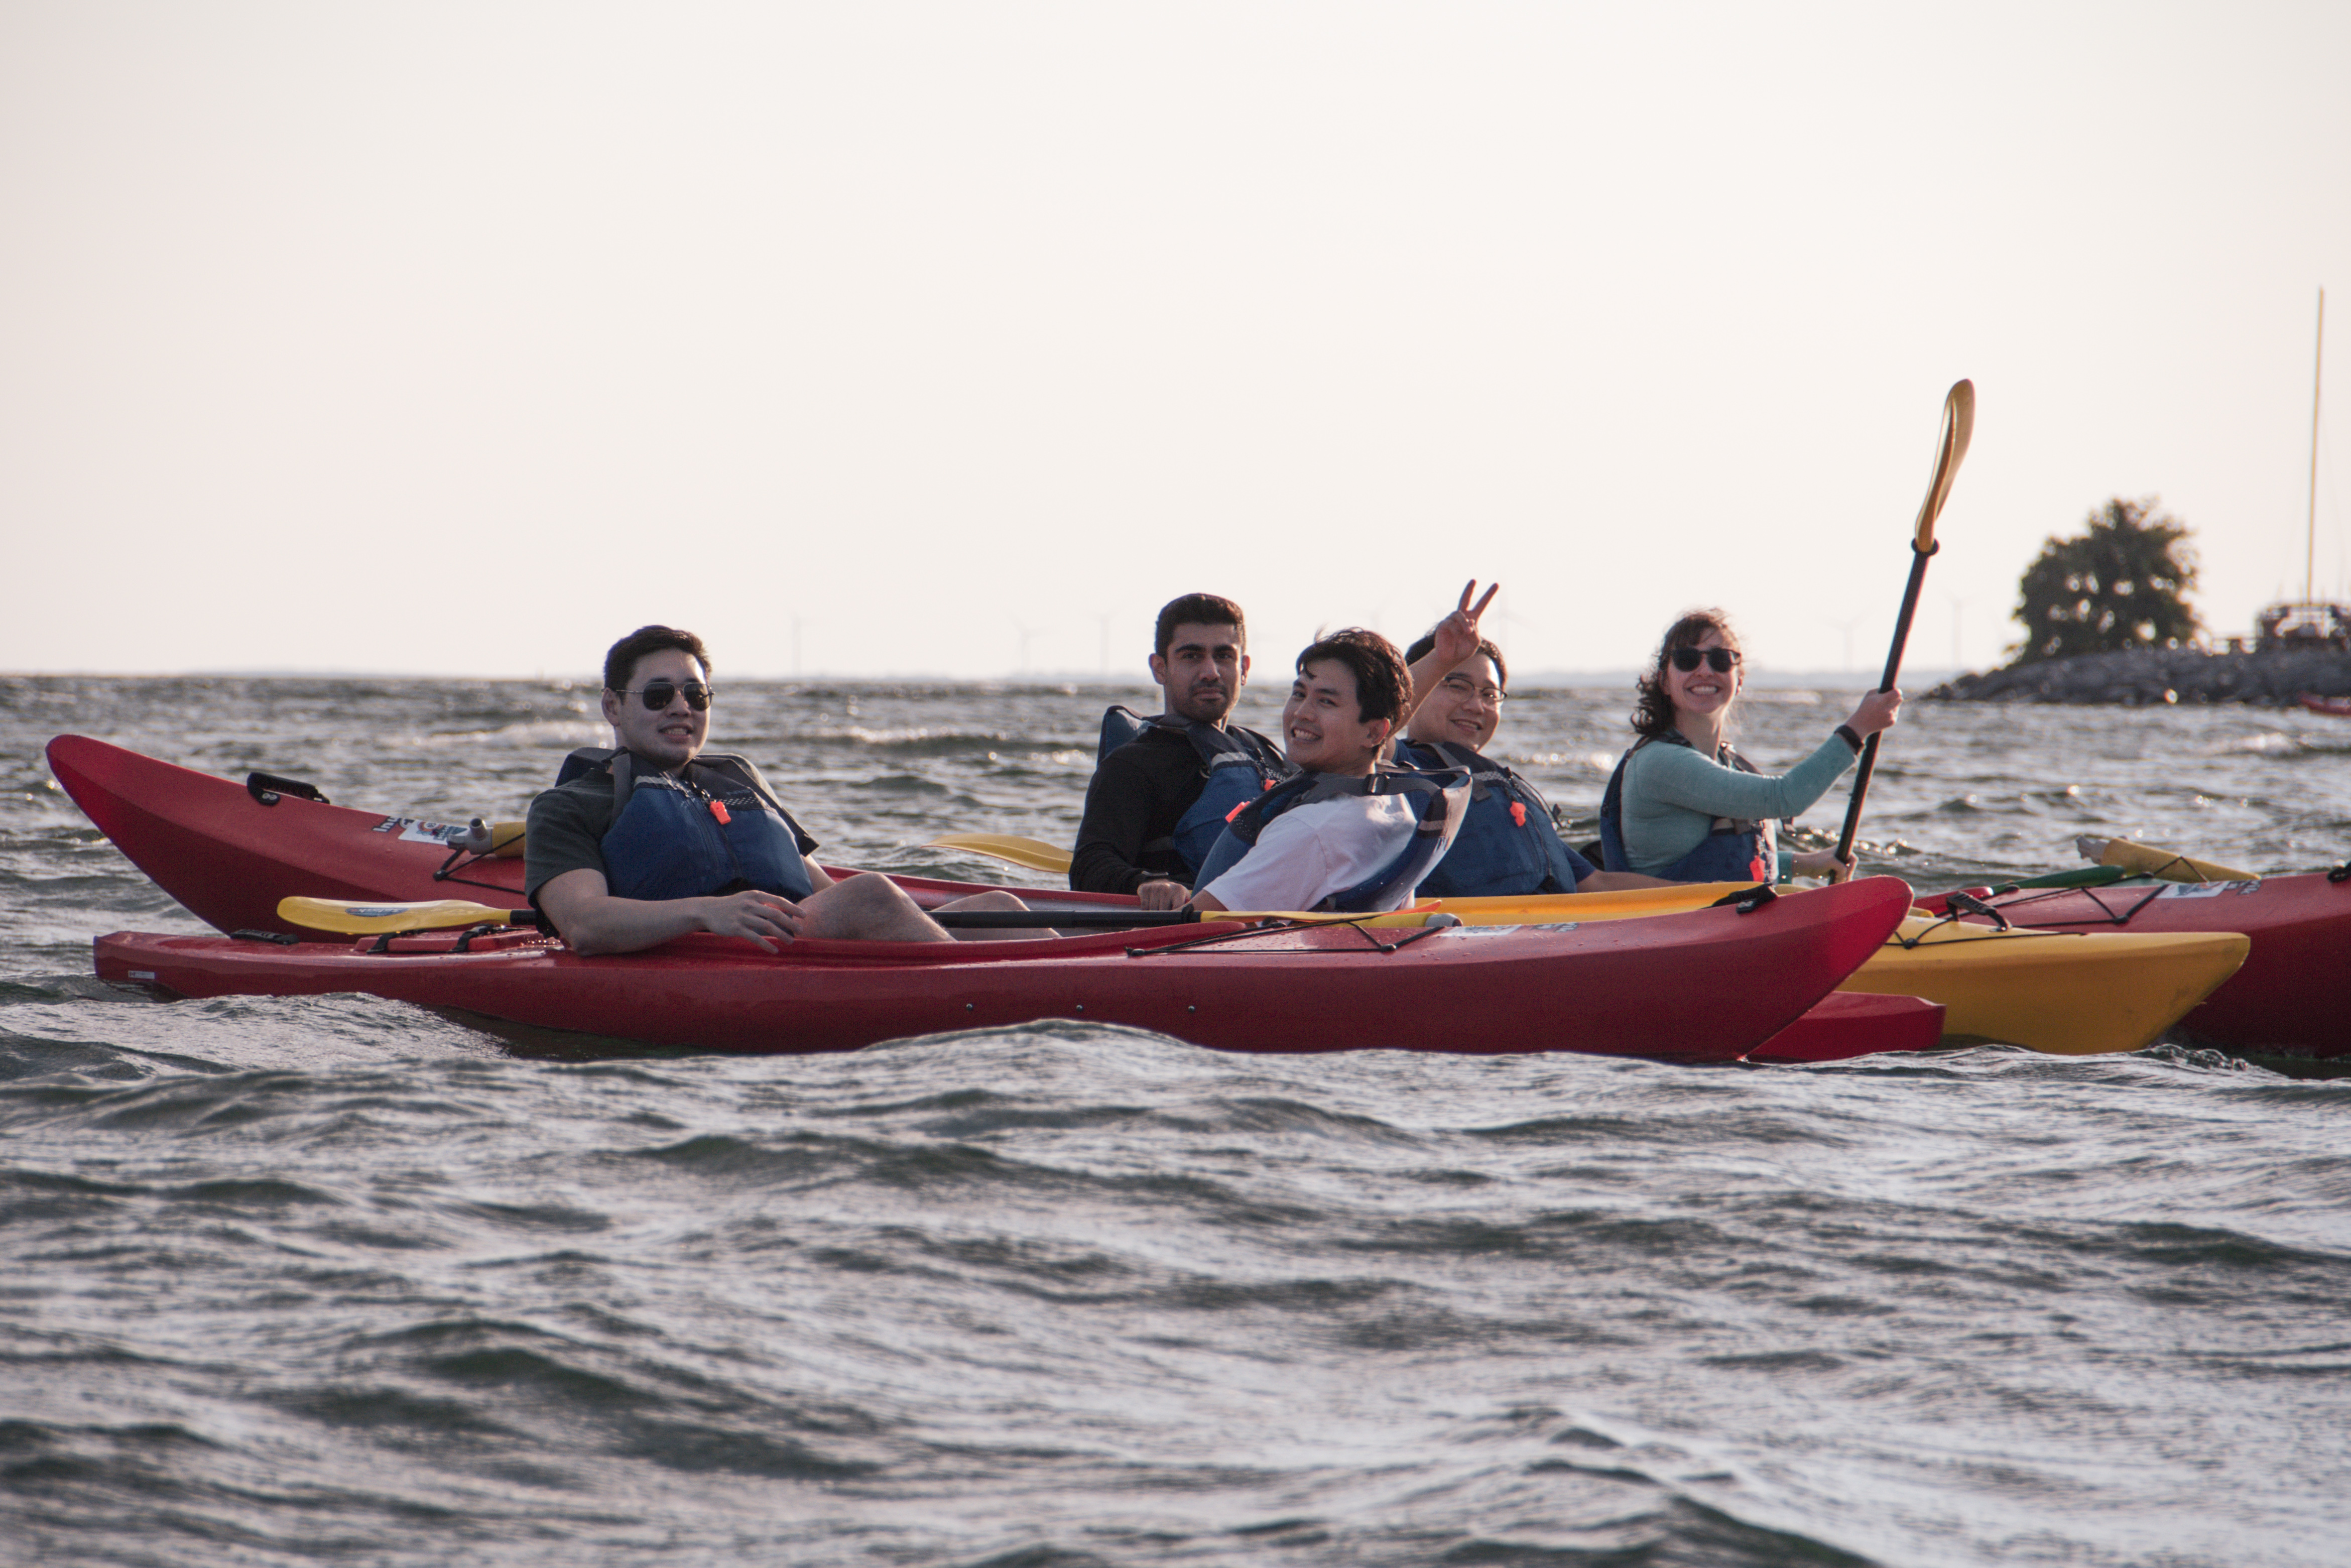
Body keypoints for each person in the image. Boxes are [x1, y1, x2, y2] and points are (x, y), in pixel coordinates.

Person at [527, 625, 1027, 954]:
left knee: (998, 907)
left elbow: (824, 893)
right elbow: (584, 926)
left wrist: (898, 919)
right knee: (869, 894)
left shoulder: (738, 778)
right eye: (659, 695)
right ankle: (982, 999)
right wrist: (707, 911)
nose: (681, 707)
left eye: (696, 694)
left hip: (798, 943)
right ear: (612, 708)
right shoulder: (568, 806)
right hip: (711, 951)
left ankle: (1052, 1003)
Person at [1598, 610, 1900, 883]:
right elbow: (1786, 797)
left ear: (1739, 680)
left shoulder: (1726, 762)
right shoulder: (1660, 762)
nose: (1704, 671)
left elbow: (1729, 866)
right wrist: (1857, 730)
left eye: (1720, 660)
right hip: (1669, 918)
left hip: (1717, 911)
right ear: (1664, 681)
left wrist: (1804, 864)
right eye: (1687, 660)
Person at [1188, 628, 1466, 915]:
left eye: (1326, 701)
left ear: (1374, 733)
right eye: (1299, 694)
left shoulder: (1311, 832)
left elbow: (1197, 924)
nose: (1302, 713)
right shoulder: (1393, 804)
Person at [1396, 619, 1668, 898]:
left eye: (1490, 695)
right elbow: (1378, 725)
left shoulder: (1504, 788)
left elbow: (1596, 885)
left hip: (1551, 920)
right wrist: (1440, 660)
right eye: (1457, 686)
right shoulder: (1392, 768)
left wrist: (1695, 895)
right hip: (1468, 923)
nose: (1477, 706)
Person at [1070, 593, 1291, 909]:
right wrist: (1146, 884)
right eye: (1191, 656)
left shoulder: (1267, 757)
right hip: (1185, 922)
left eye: (1224, 656)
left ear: (1244, 668)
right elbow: (1089, 867)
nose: (1210, 672)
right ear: (1160, 668)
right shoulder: (1132, 765)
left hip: (1271, 917)